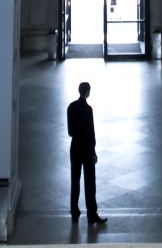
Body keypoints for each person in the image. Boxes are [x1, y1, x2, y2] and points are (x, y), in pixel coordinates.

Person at [66, 80, 105, 225]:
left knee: (75, 181)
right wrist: (93, 151)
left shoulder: (71, 107)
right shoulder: (88, 110)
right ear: (88, 92)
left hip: (75, 147)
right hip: (87, 149)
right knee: (90, 183)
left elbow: (70, 132)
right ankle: (92, 214)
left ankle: (74, 212)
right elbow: (91, 133)